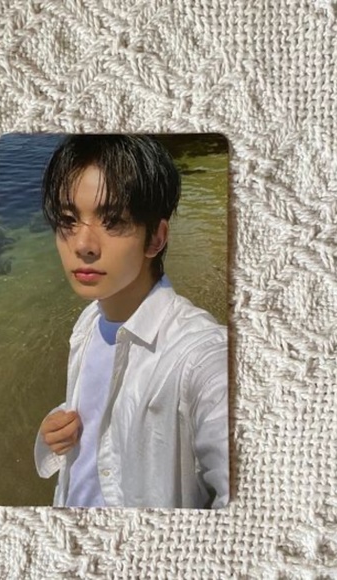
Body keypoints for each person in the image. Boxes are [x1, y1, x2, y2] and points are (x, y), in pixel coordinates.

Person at [34, 135, 229, 509]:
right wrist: (52, 435)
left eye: (112, 221)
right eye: (68, 220)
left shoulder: (203, 356)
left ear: (155, 238)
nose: (83, 245)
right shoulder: (89, 323)